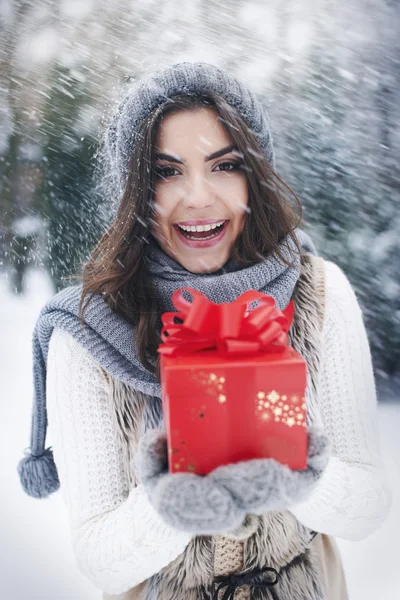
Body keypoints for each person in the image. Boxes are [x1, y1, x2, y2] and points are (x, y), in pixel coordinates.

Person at [17, 63, 392, 600]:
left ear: (254, 176)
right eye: (166, 172)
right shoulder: (85, 333)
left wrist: (292, 464)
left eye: (224, 165)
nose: (197, 197)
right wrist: (177, 493)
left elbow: (367, 506)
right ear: (133, 190)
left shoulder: (318, 292)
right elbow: (100, 560)